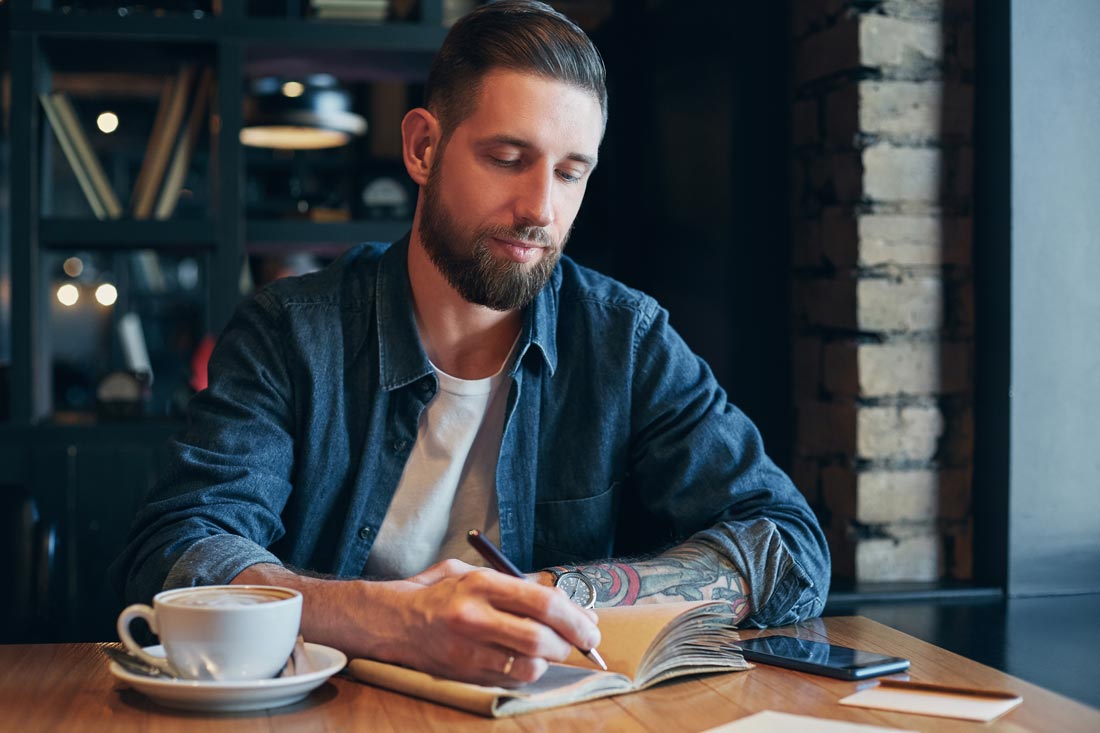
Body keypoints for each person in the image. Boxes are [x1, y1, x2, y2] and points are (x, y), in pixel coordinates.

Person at [110, 0, 829, 688]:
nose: (540, 209)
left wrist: (558, 593)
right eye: (508, 158)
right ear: (423, 147)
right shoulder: (290, 333)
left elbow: (790, 546)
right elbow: (180, 550)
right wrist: (392, 620)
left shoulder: (625, 338)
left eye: (571, 172)